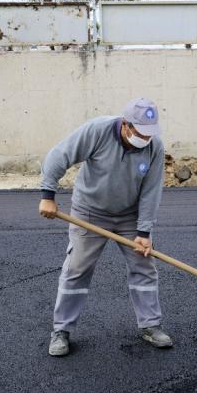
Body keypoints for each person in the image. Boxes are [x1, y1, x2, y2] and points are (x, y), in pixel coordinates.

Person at [39, 98, 171, 357]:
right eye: (141, 133)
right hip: (89, 212)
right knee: (77, 268)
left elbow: (151, 191)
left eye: (149, 134)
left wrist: (144, 233)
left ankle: (151, 326)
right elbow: (59, 155)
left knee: (144, 266)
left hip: (130, 215)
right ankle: (61, 330)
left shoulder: (153, 146)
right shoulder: (97, 131)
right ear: (126, 125)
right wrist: (47, 194)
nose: (145, 139)